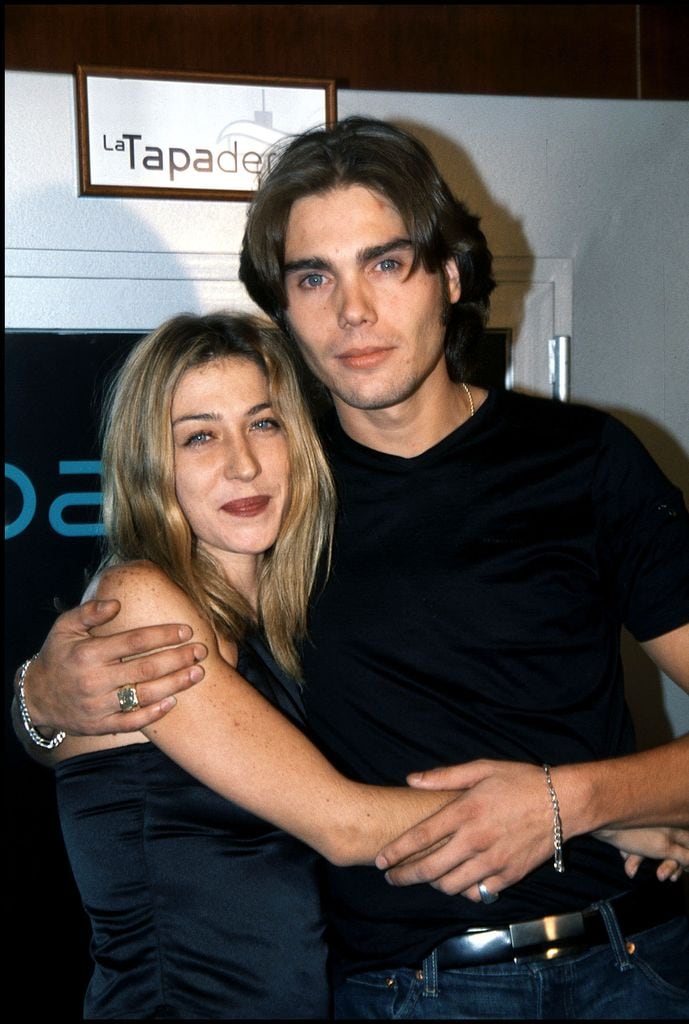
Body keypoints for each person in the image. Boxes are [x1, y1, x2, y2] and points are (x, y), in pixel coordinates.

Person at [15, 118, 689, 1018]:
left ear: (449, 276)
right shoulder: (278, 494)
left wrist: (583, 801)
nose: (353, 312)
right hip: (409, 990)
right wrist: (37, 700)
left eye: (386, 263)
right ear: (284, 308)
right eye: (313, 278)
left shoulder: (583, 458)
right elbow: (160, 728)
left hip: (636, 959)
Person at [16, 310, 466, 1019]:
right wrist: (574, 814)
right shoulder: (140, 601)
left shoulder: (290, 621)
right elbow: (344, 826)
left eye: (263, 424)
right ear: (149, 464)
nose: (243, 464)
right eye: (200, 436)